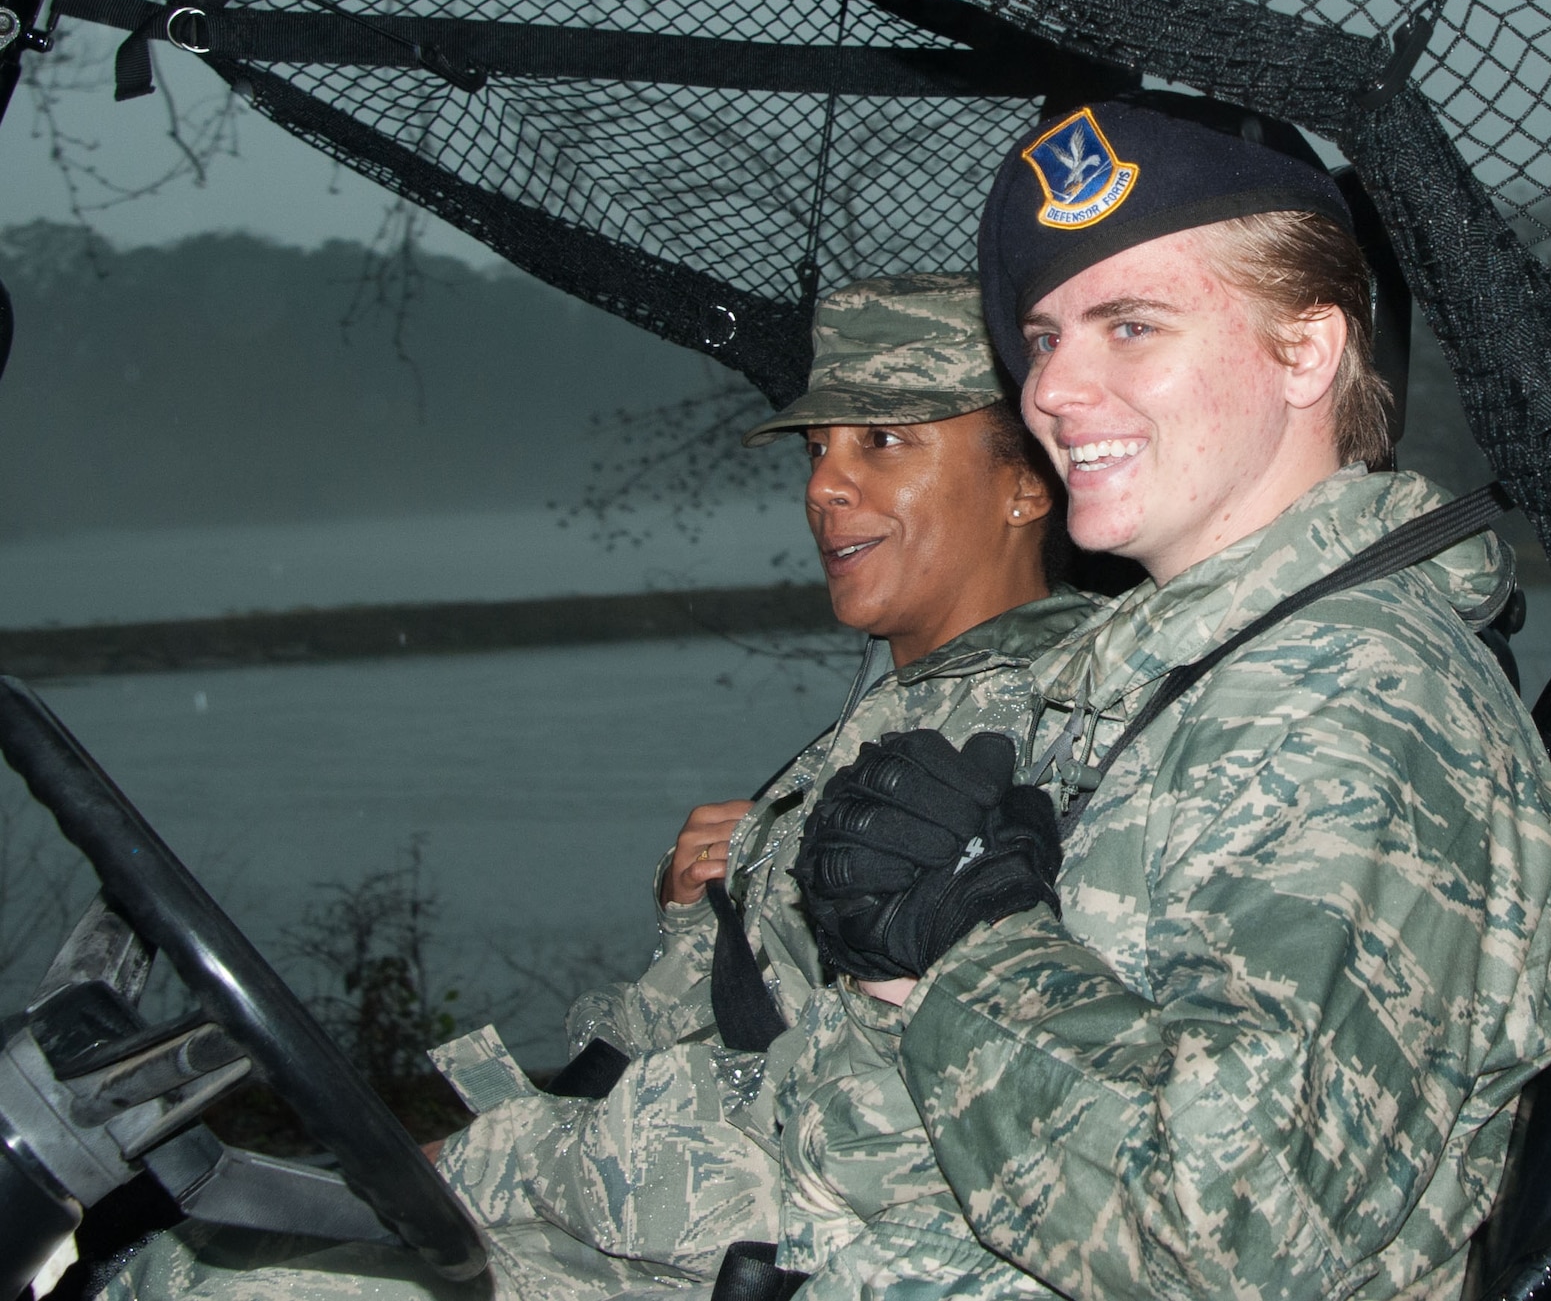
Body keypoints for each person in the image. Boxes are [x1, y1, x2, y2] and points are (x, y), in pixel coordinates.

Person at [108, 274, 1107, 1300]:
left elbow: (869, 1128)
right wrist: (702, 921)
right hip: (680, 1220)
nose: (823, 487)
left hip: (804, 1257)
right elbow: (731, 1032)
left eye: (883, 443)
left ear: (1026, 483)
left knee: (201, 1283)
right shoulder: (901, 715)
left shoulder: (1030, 732)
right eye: (817, 450)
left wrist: (487, 1162)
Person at [790, 96, 1551, 1299]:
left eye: (1131, 326)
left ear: (1304, 351)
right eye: (1045, 338)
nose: (1052, 391)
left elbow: (1227, 1235)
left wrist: (969, 951)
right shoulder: (1174, 676)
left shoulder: (1342, 705)